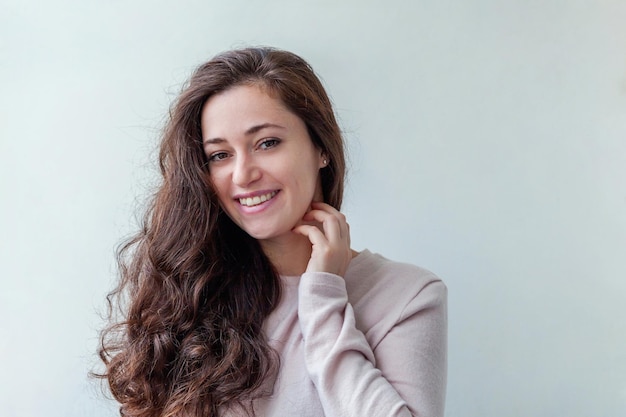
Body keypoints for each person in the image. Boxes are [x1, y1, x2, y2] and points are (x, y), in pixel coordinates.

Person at [98, 47, 447, 417]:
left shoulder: (407, 297)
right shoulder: (190, 291)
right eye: (220, 155)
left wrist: (323, 298)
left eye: (267, 143)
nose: (243, 174)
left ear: (320, 148)